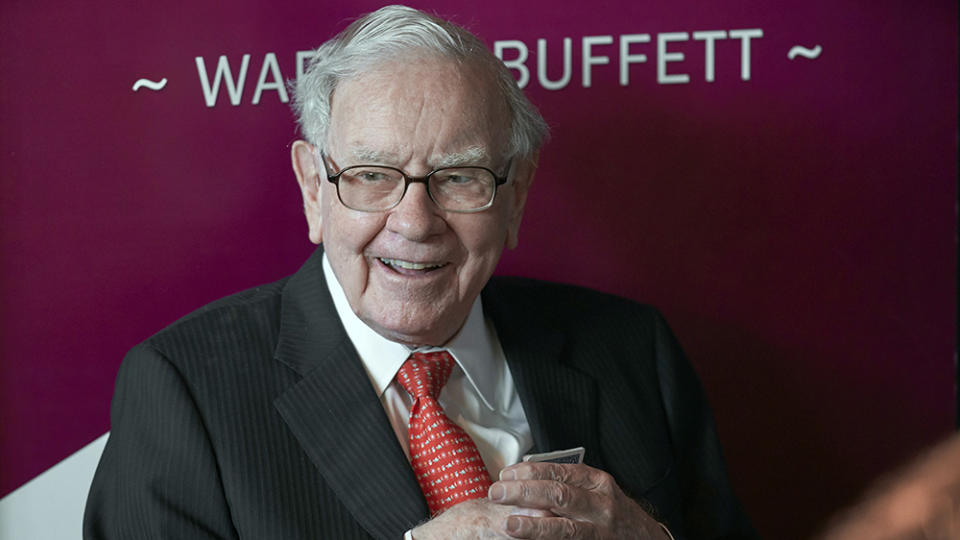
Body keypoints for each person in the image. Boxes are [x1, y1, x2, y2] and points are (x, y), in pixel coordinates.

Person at [84, 5, 755, 539]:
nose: (415, 221)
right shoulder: (185, 391)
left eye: (458, 177)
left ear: (515, 194)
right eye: (372, 176)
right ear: (314, 189)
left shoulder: (633, 349)